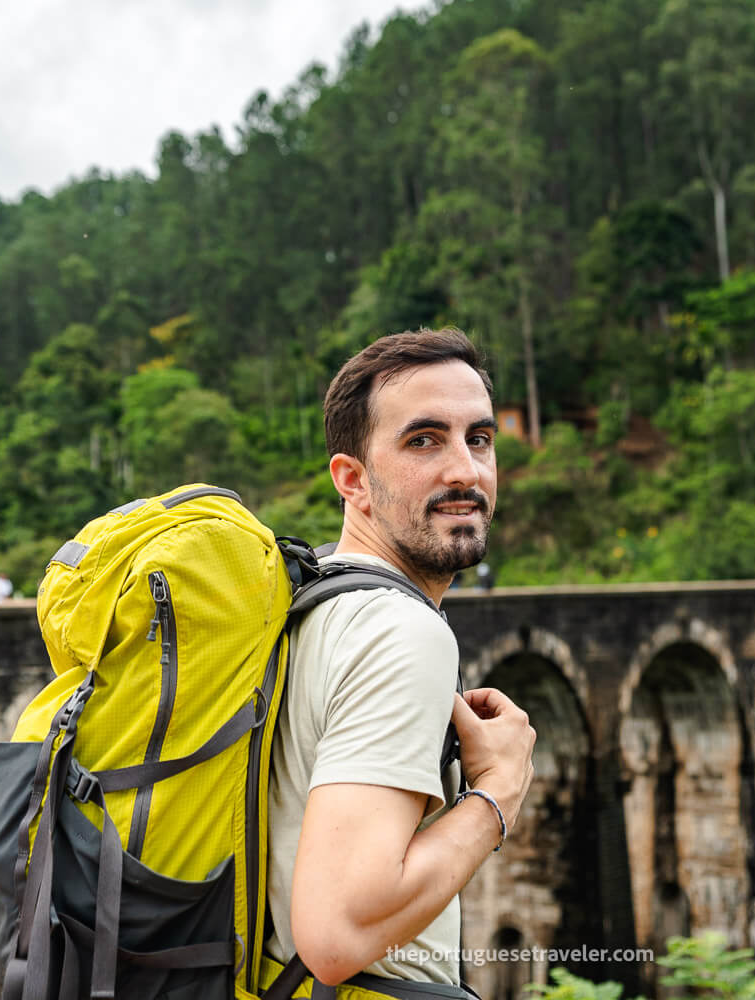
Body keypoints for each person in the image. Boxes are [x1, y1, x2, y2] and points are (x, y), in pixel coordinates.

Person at [267, 327, 537, 990]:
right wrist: (498, 792)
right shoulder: (398, 630)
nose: (464, 470)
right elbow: (337, 936)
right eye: (424, 440)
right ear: (351, 480)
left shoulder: (312, 597)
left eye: (478, 438)